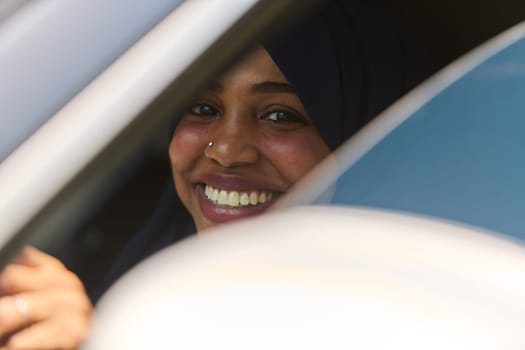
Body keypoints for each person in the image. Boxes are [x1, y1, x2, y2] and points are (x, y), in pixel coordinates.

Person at [0, 2, 434, 348]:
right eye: (203, 108)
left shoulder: (404, 318)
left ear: (363, 134)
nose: (225, 151)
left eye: (280, 115)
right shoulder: (143, 258)